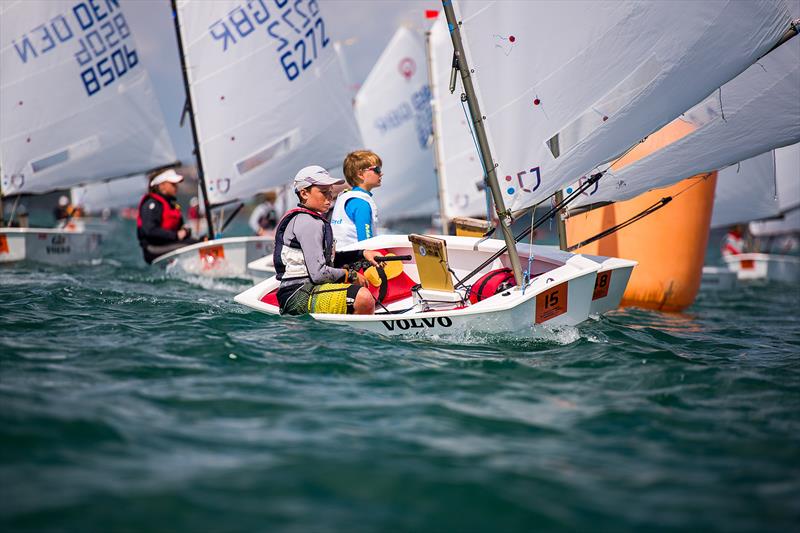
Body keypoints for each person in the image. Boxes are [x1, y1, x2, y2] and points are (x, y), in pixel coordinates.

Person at [274, 165, 382, 316]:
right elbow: (318, 274)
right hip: (299, 295)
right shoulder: (308, 222)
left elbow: (330, 259)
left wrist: (363, 254)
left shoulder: (311, 219)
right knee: (363, 298)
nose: (329, 197)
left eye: (330, 192)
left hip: (308, 289)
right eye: (323, 192)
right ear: (304, 193)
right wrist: (350, 275)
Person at [136, 168, 199, 264]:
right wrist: (176, 235)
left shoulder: (171, 205)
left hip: (169, 243)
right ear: (162, 186)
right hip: (153, 248)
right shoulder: (152, 204)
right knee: (194, 245)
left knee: (200, 240)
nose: (176, 187)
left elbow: (179, 228)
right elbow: (150, 230)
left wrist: (186, 231)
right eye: (173, 184)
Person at [330, 150, 383, 249]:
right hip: (355, 260)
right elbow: (366, 243)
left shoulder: (345, 197)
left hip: (340, 259)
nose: (381, 173)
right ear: (360, 174)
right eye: (377, 170)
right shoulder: (360, 202)